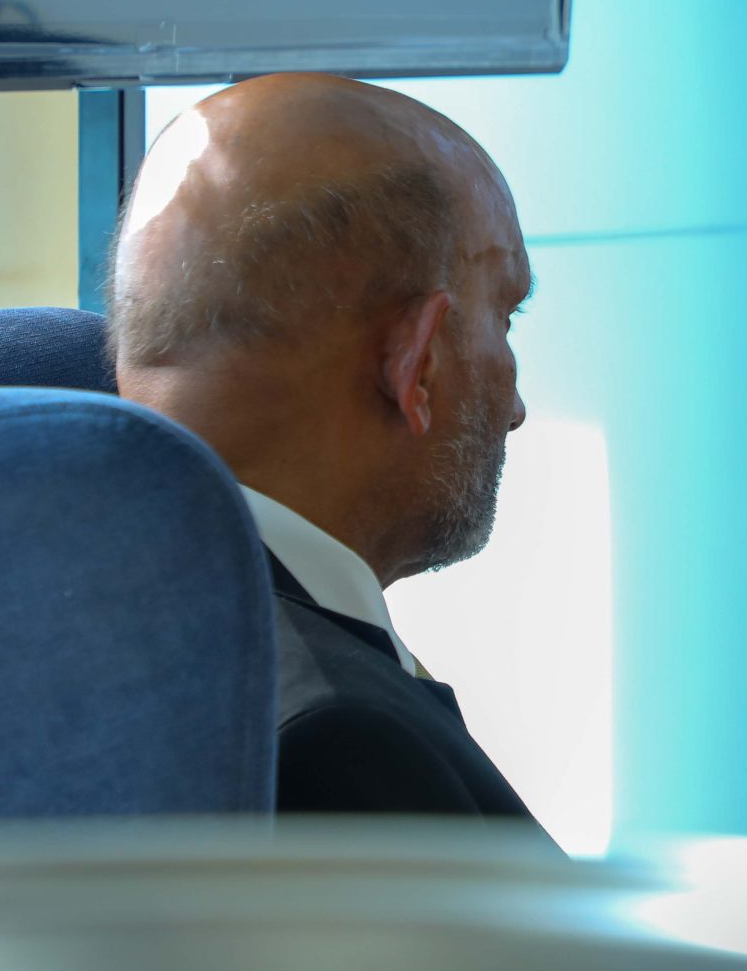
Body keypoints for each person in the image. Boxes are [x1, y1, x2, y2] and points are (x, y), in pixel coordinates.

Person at [109, 73, 542, 830]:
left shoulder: (42, 623)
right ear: (417, 363)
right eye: (504, 319)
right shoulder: (338, 744)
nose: (517, 411)